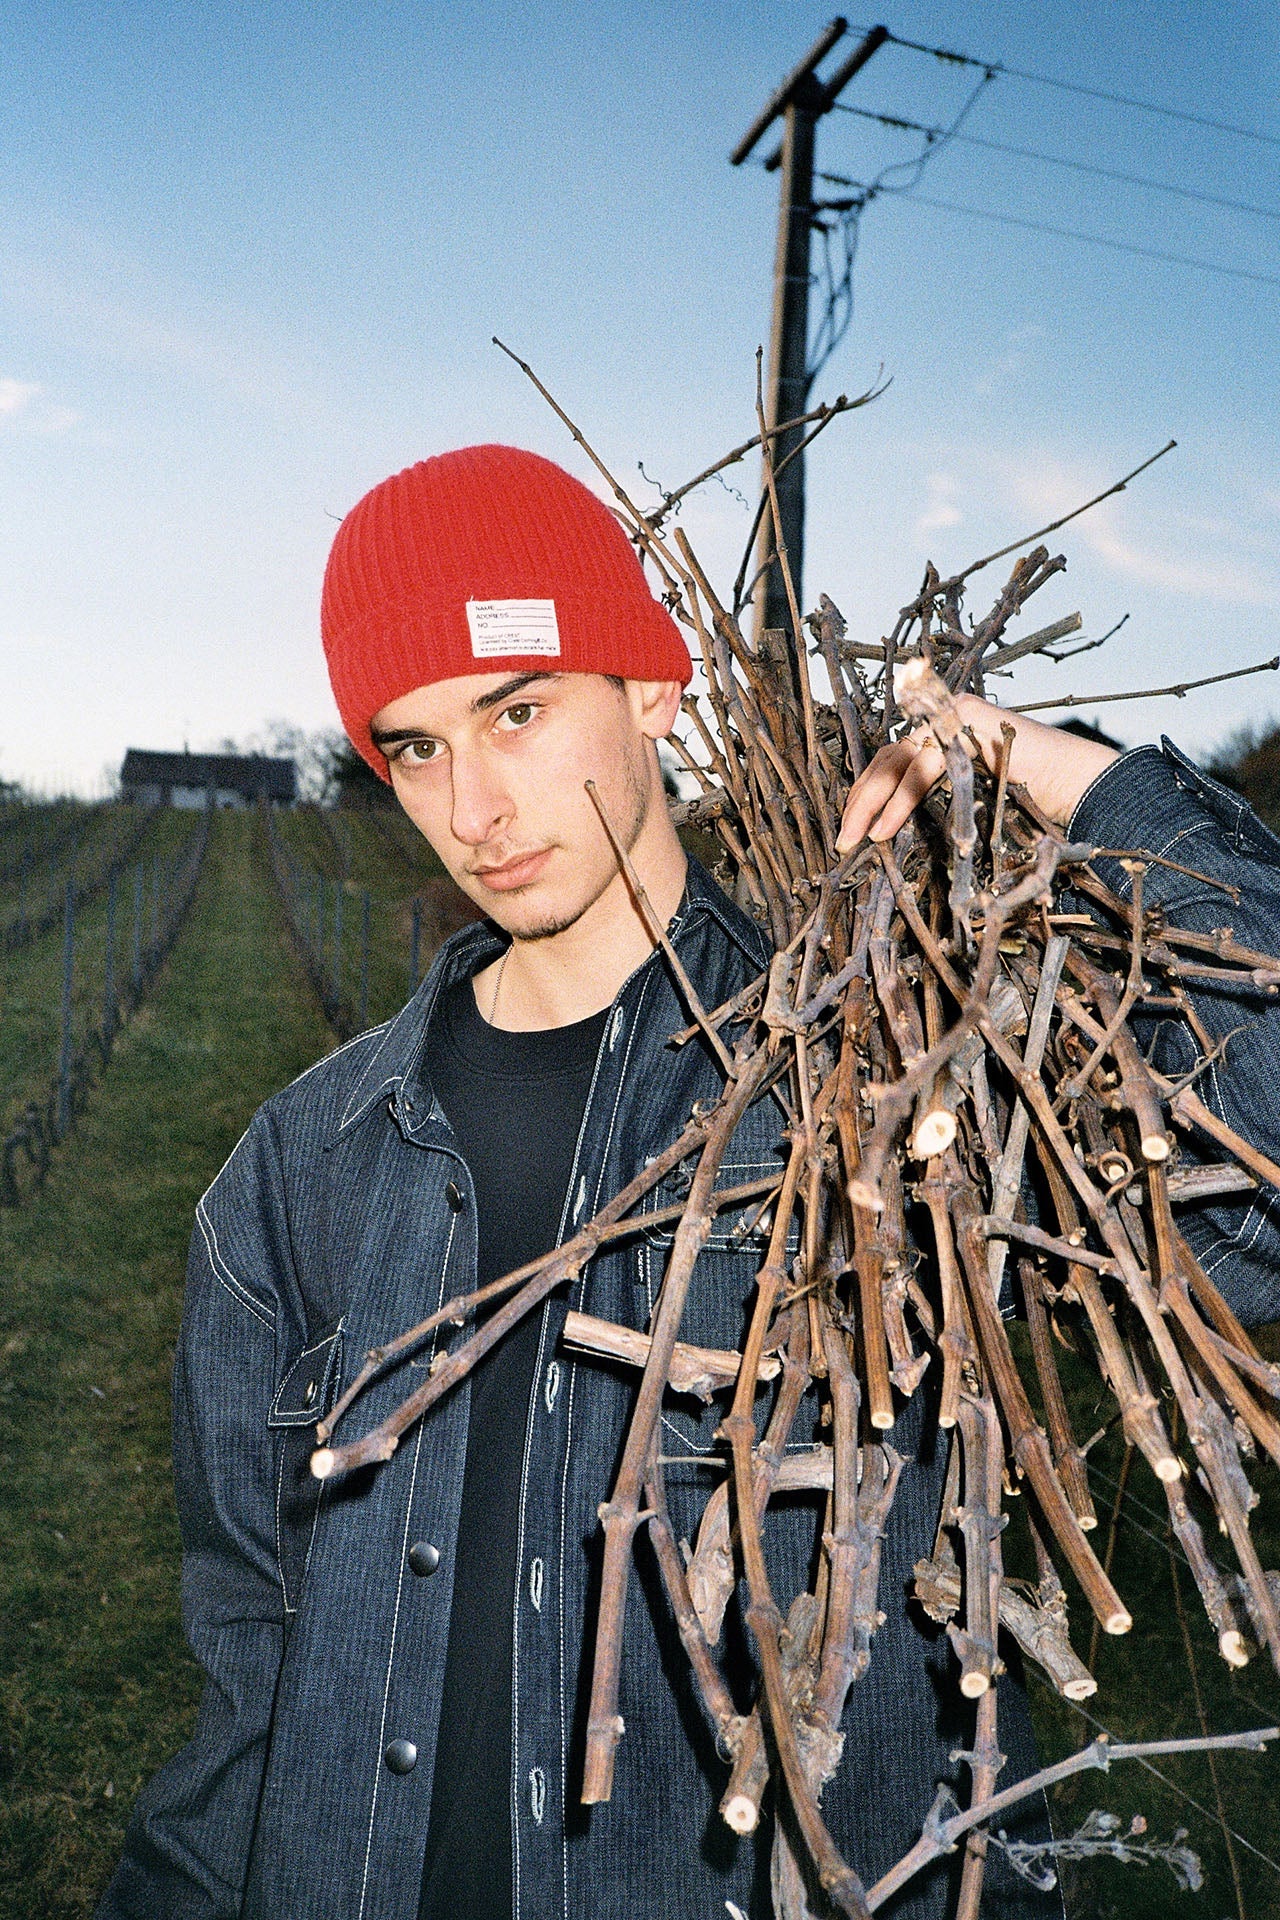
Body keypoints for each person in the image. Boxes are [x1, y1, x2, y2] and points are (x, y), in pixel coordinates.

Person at [97, 444, 1280, 1920]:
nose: (474, 806)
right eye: (416, 747)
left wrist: (1073, 785)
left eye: (517, 712)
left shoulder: (889, 1099)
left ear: (653, 688)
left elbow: (1263, 1198)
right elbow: (250, 1706)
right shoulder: (298, 1174)